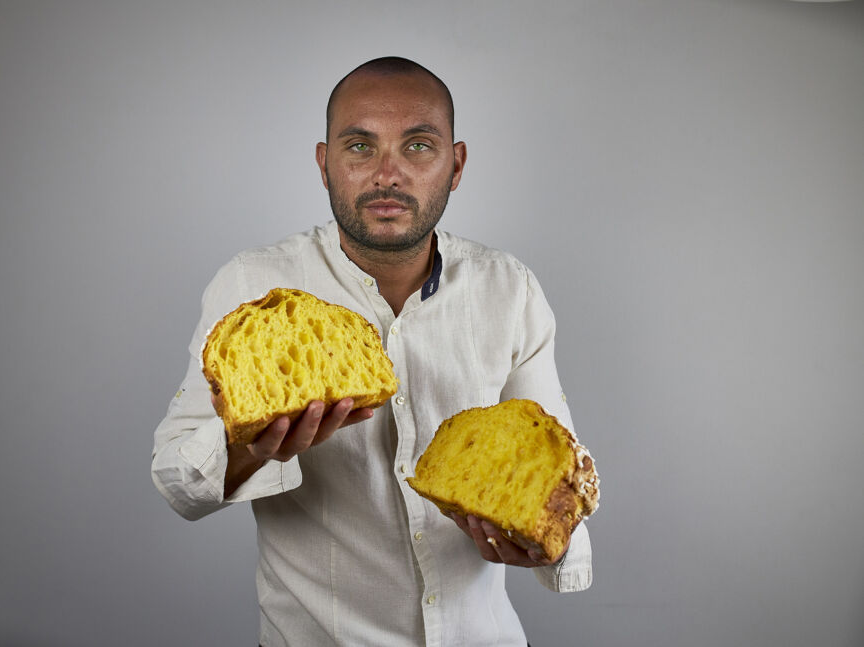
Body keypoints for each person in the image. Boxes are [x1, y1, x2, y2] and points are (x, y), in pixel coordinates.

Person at [152, 56, 593, 647]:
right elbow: (176, 480)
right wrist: (245, 448)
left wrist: (546, 544)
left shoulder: (509, 288)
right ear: (324, 164)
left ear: (456, 165)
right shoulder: (251, 286)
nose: (388, 174)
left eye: (418, 146)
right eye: (360, 146)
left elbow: (562, 464)